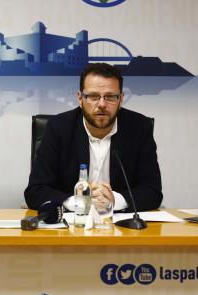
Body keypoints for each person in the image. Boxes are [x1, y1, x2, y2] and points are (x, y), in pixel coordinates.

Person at [24, 63, 162, 212]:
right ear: (80, 98)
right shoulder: (59, 128)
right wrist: (79, 202)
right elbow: (35, 191)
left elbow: (152, 191)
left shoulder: (139, 127)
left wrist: (114, 201)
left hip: (121, 225)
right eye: (93, 96)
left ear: (121, 98)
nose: (102, 104)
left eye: (110, 97)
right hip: (71, 226)